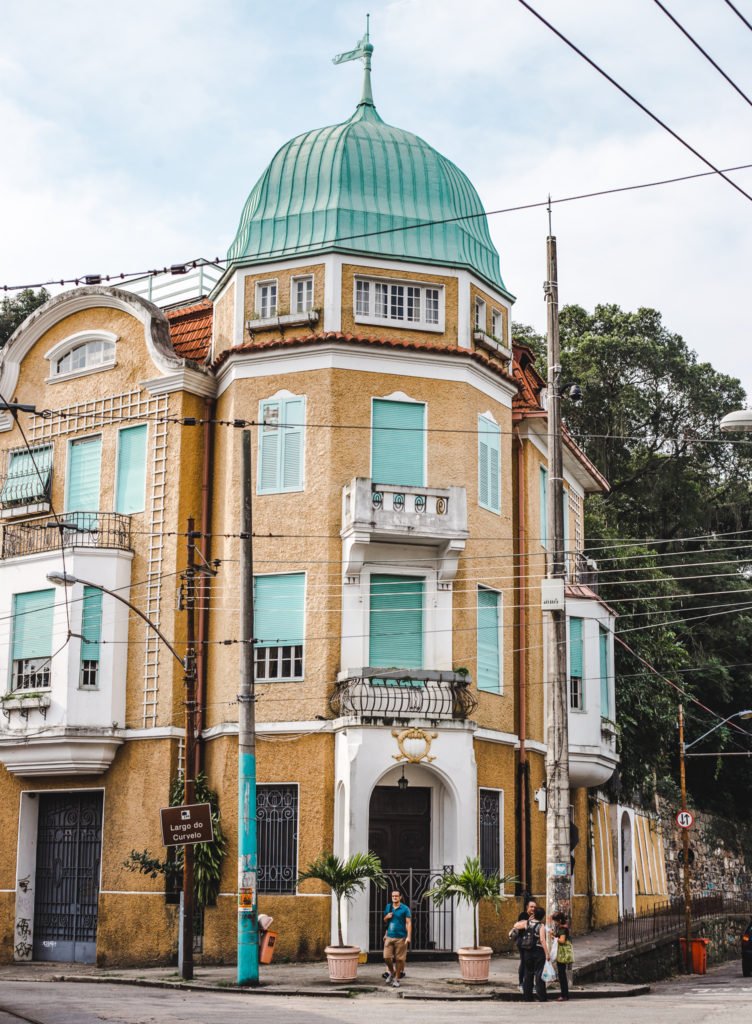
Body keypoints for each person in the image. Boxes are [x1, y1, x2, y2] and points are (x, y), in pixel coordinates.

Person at [518, 906, 548, 1002]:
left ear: (534, 914)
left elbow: (516, 926)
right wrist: (547, 953)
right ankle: (541, 996)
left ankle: (527, 996)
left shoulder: (527, 923)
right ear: (542, 916)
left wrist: (528, 919)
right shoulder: (541, 926)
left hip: (527, 951)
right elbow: (542, 940)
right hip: (538, 952)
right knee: (539, 974)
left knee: (528, 974)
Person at [383, 889, 412, 989]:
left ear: (400, 897)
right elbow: (385, 920)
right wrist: (387, 916)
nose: (394, 897)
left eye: (396, 896)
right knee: (386, 957)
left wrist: (408, 936)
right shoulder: (388, 907)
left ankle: (397, 979)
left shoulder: (405, 909)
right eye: (393, 896)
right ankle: (392, 972)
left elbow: (408, 923)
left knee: (399, 959)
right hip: (389, 936)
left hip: (401, 938)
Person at [509, 899, 537, 992]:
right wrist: (529, 921)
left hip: (530, 943)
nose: (533, 908)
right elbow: (518, 925)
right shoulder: (524, 915)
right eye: (531, 906)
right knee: (524, 962)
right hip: (522, 942)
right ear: (527, 907)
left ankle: (528, 983)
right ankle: (521, 983)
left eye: (534, 907)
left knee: (529, 962)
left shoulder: (535, 916)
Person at [554, 926, 573, 1001]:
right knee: (562, 975)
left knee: (562, 975)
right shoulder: (564, 928)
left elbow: (562, 940)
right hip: (563, 954)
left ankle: (564, 995)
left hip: (562, 954)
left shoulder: (562, 929)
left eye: (555, 921)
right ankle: (565, 994)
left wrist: (553, 937)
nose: (555, 922)